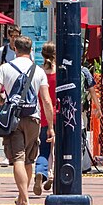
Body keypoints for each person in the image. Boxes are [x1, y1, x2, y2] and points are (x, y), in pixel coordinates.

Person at [0, 34, 53, 205]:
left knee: (18, 158)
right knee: (29, 159)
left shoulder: (5, 68)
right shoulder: (38, 70)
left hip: (13, 119)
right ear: (31, 50)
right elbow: (46, 100)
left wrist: (5, 103)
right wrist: (50, 127)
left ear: (15, 49)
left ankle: (24, 199)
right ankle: (21, 197)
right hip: (34, 118)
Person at [33, 43, 56, 196]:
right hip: (58, 114)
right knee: (59, 150)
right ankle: (54, 174)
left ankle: (41, 171)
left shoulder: (38, 72)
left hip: (42, 116)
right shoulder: (60, 72)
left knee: (44, 150)